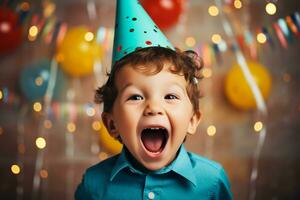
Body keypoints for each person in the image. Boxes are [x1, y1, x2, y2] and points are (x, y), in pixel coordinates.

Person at [75, 0, 233, 199]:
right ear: (111, 123)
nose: (153, 108)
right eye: (135, 96)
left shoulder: (212, 181)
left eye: (170, 96)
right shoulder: (94, 185)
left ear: (192, 120)